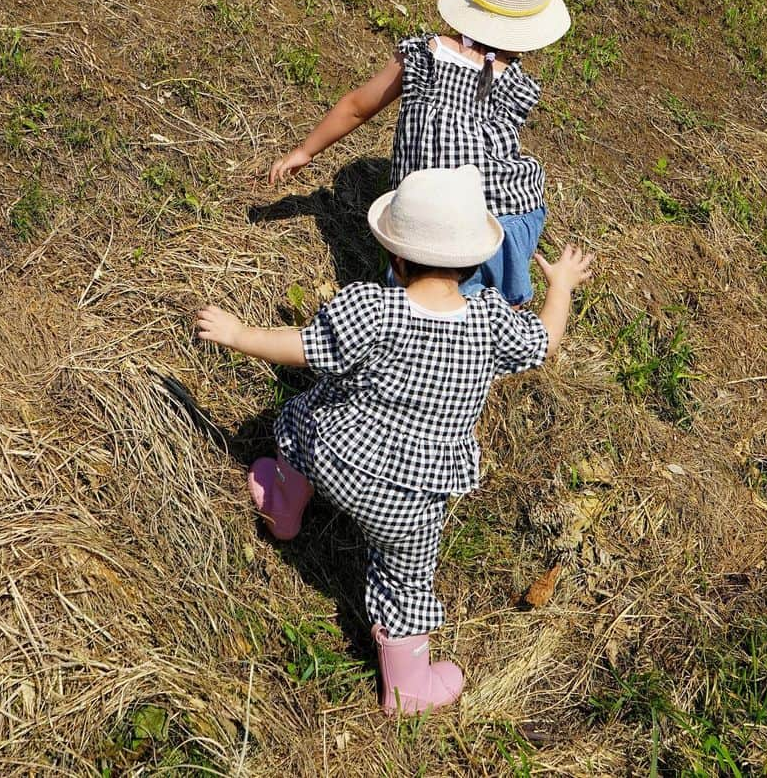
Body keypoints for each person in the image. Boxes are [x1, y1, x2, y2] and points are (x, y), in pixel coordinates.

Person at [196, 166, 592, 714]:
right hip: (409, 498)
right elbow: (546, 340)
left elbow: (306, 348)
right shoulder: (491, 322)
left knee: (301, 414)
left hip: (337, 454)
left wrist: (239, 334)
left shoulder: (372, 308)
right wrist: (562, 286)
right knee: (405, 580)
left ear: (396, 257)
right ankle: (407, 689)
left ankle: (284, 503)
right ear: (476, 262)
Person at [269, 0, 570, 303]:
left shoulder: (424, 56)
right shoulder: (516, 84)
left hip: (425, 217)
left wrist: (305, 150)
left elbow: (357, 106)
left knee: (422, 303)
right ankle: (495, 314)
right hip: (502, 214)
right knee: (478, 309)